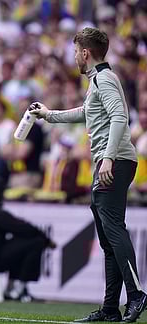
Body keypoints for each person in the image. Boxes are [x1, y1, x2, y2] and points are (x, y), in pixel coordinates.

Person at [30, 27, 146, 323]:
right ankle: (110, 308)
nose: (74, 58)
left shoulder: (104, 79)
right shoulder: (99, 80)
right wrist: (49, 114)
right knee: (108, 238)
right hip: (112, 160)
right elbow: (87, 112)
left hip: (114, 161)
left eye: (75, 52)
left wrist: (107, 158)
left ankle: (136, 294)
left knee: (114, 230)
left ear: (85, 52)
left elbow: (121, 117)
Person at [0, 178, 56, 303]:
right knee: (36, 241)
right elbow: (22, 227)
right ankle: (18, 290)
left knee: (20, 242)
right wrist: (46, 239)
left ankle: (12, 288)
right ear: (0, 193)